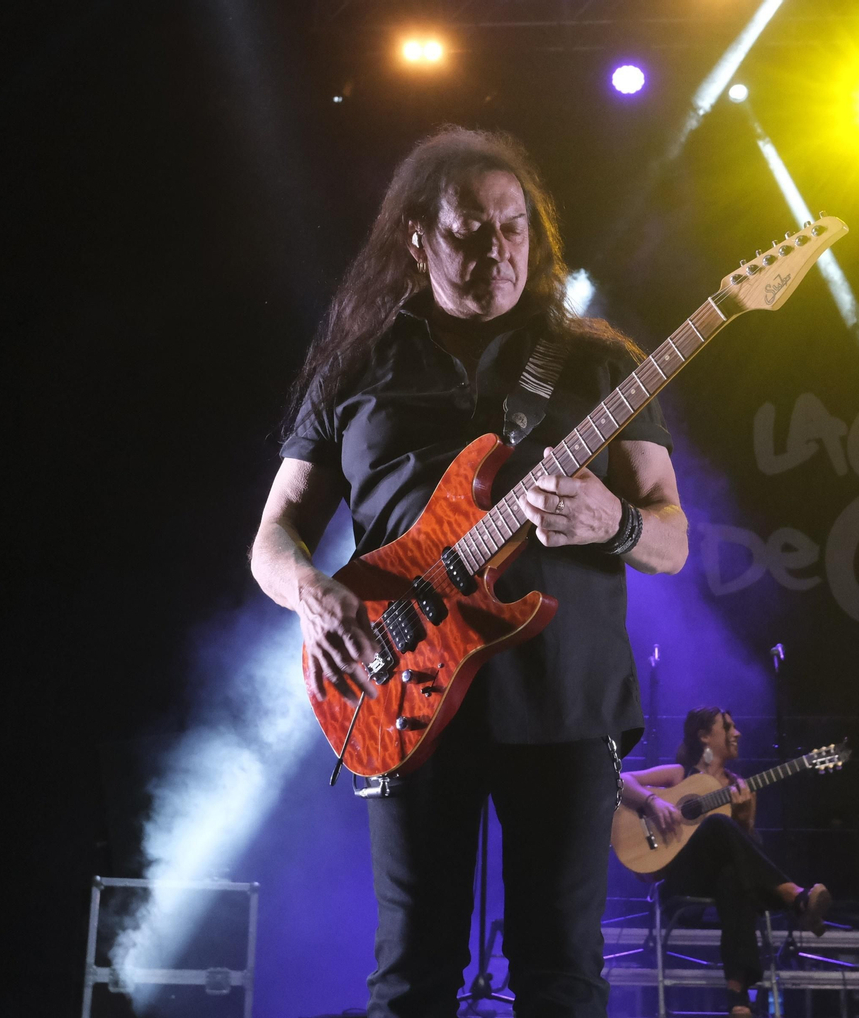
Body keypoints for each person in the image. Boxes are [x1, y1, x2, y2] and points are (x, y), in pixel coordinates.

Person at [249, 126, 689, 1018]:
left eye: (513, 225)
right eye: (471, 231)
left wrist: (615, 523)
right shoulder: (357, 365)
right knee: (412, 975)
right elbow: (273, 535)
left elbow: (672, 542)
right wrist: (311, 590)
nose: (499, 248)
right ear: (418, 238)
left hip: (565, 699)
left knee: (562, 975)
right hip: (403, 695)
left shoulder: (601, 362)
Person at [621, 708, 831, 1018]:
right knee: (717, 826)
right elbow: (621, 781)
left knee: (733, 876)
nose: (737, 733)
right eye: (728, 727)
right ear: (704, 736)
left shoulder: (741, 787)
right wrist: (653, 802)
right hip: (680, 878)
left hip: (720, 885)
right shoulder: (680, 774)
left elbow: (745, 853)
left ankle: (737, 996)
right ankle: (794, 897)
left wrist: (744, 820)